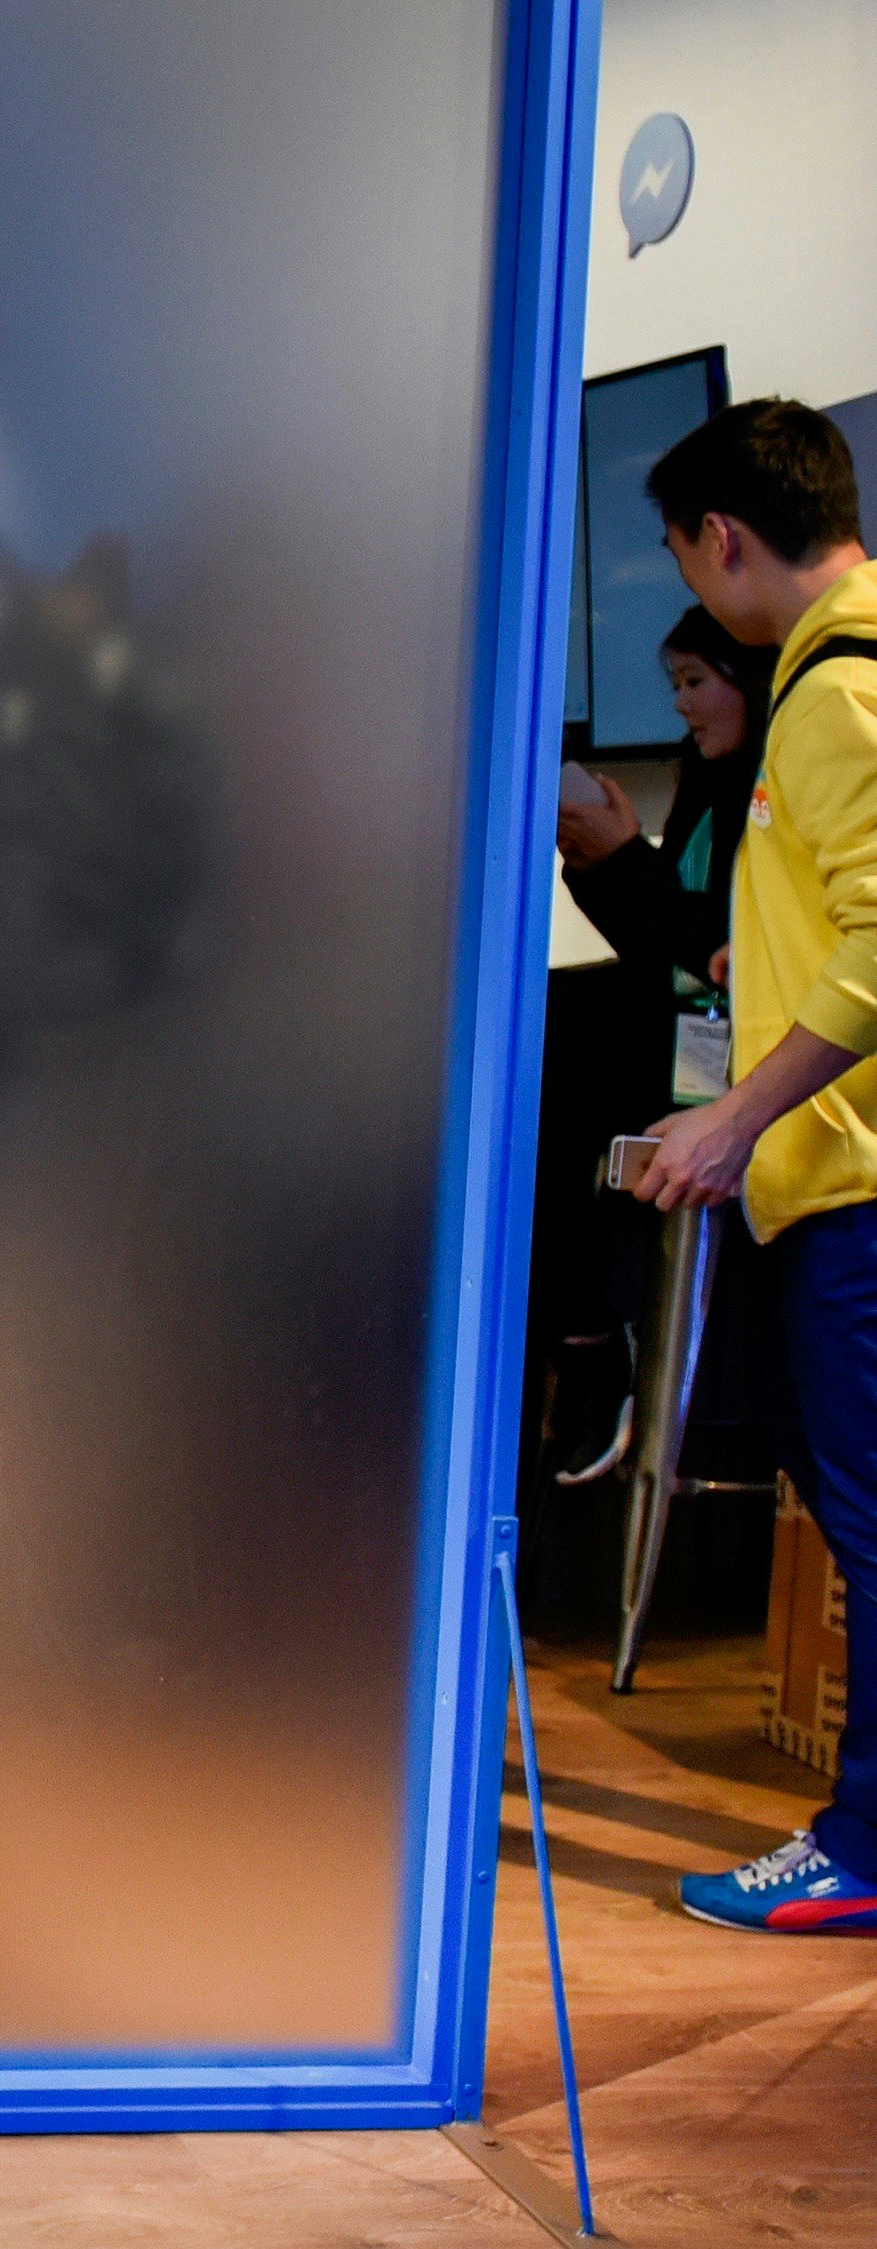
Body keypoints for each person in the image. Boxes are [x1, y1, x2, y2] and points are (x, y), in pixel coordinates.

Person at [624, 399, 877, 1934]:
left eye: (682, 556)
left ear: (723, 538)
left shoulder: (836, 692)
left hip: (852, 1183)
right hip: (831, 1176)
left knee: (870, 1516)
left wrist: (737, 1116)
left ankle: (861, 1843)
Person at [532, 607, 777, 1485]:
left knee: (572, 1043)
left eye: (694, 683)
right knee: (549, 1021)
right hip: (691, 1035)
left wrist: (623, 861)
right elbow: (673, 947)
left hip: (747, 1056)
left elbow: (725, 952)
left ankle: (598, 1355)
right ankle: (586, 1343)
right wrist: (605, 864)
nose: (682, 706)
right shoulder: (708, 779)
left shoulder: (776, 787)